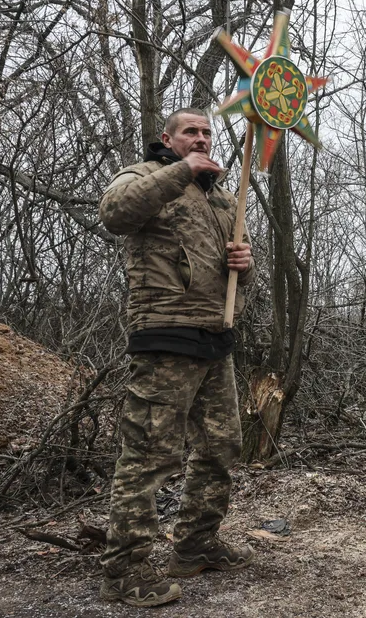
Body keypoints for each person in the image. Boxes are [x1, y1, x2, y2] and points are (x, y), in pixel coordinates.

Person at [97, 109, 255, 606]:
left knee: (222, 444)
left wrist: (246, 265)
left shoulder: (225, 198)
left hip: (215, 334)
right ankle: (125, 568)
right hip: (165, 333)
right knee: (150, 454)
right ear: (167, 138)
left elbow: (236, 274)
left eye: (207, 132)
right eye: (191, 131)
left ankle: (195, 544)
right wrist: (184, 169)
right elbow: (115, 214)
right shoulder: (145, 176)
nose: (202, 138)